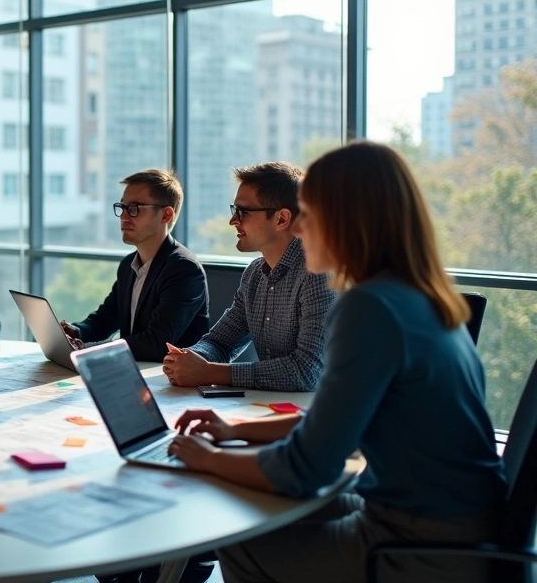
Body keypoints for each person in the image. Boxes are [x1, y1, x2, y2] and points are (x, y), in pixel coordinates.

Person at [168, 142, 506, 583]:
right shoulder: (418, 296)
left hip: (422, 544)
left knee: (239, 535)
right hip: (458, 523)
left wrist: (209, 459)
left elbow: (304, 469)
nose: (299, 227)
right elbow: (330, 427)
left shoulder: (369, 307)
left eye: (309, 213)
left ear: (348, 221)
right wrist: (233, 431)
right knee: (259, 505)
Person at [163, 162, 337, 391]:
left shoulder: (318, 274)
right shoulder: (254, 274)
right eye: (234, 210)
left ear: (282, 219)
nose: (233, 221)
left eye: (243, 212)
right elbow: (220, 342)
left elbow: (307, 372)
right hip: (271, 405)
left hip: (320, 409)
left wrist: (209, 372)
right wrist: (187, 359)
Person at [62, 169, 209, 362]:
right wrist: (75, 332)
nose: (124, 217)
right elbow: (106, 319)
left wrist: (87, 349)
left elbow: (156, 343)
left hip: (167, 375)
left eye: (134, 208)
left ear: (165, 215)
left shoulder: (184, 269)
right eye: (122, 207)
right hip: (135, 369)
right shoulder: (128, 266)